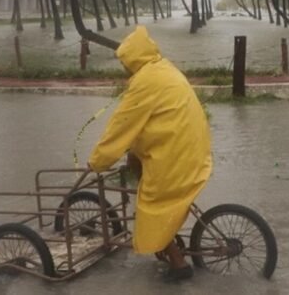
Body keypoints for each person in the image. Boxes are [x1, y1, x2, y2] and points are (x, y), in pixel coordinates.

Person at [87, 26, 212, 282]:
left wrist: (97, 162)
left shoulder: (144, 82)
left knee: (149, 208)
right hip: (193, 149)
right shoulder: (164, 68)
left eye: (124, 62)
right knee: (137, 162)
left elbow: (120, 127)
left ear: (133, 59)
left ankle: (178, 264)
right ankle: (169, 238)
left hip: (176, 156)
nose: (124, 68)